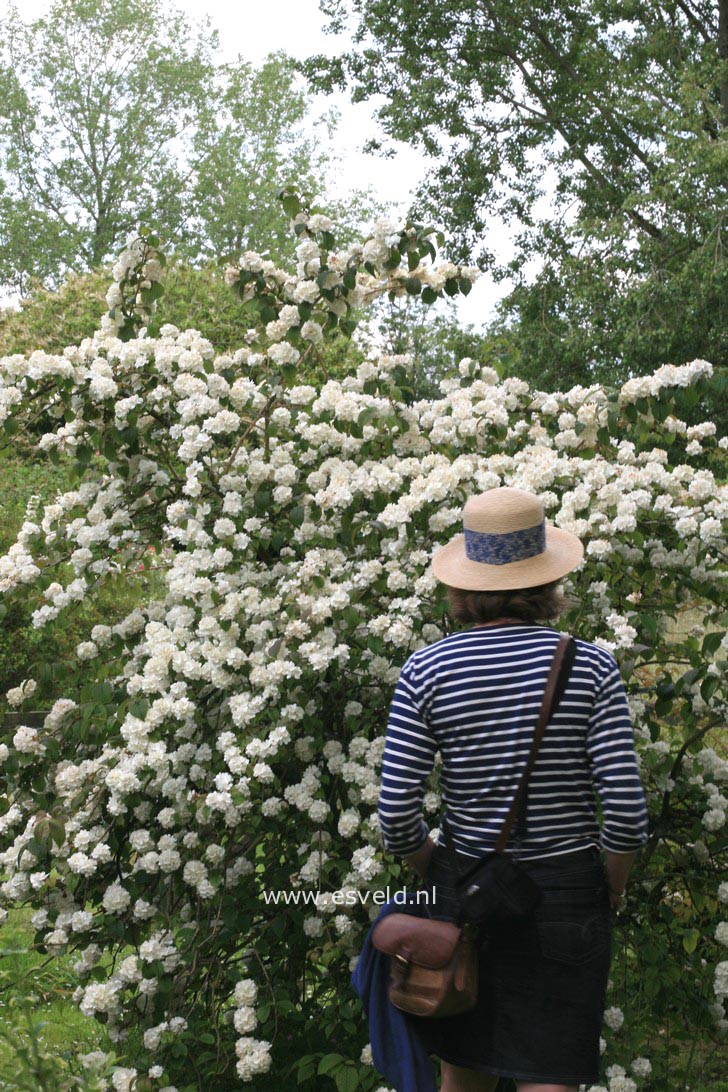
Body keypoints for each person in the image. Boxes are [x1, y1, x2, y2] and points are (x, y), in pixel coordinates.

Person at [377, 486, 649, 1092]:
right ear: (547, 581)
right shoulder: (592, 668)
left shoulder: (428, 671)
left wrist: (437, 866)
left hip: (466, 891)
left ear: (464, 583)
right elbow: (627, 815)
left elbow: (396, 815)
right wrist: (612, 884)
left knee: (462, 1080)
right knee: (549, 1080)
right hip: (565, 896)